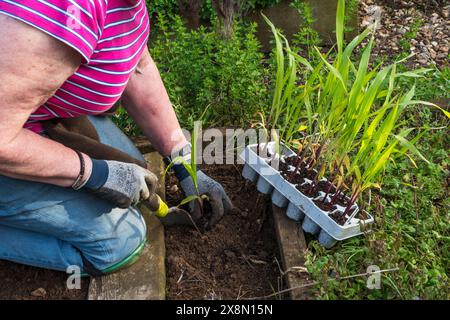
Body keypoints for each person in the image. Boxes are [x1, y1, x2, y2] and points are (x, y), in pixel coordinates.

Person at [0, 0, 232, 276]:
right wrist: (95, 174)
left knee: (135, 169)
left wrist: (184, 164)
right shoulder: (63, 10)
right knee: (120, 242)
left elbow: (138, 65)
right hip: (8, 140)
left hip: (36, 119)